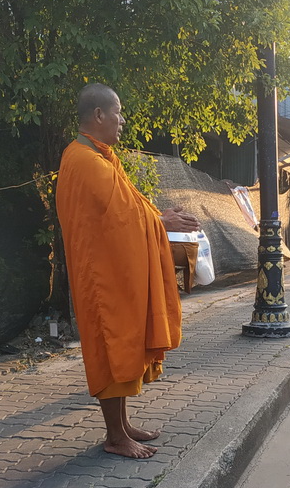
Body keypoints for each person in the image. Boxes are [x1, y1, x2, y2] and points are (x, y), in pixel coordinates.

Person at [56, 83, 200, 459]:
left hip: (114, 269)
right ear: (99, 115)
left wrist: (159, 216)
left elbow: (130, 207)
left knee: (124, 344)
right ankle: (115, 437)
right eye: (117, 113)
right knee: (111, 346)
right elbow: (121, 218)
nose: (121, 121)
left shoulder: (101, 158)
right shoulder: (84, 161)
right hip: (101, 277)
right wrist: (161, 222)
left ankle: (122, 425)